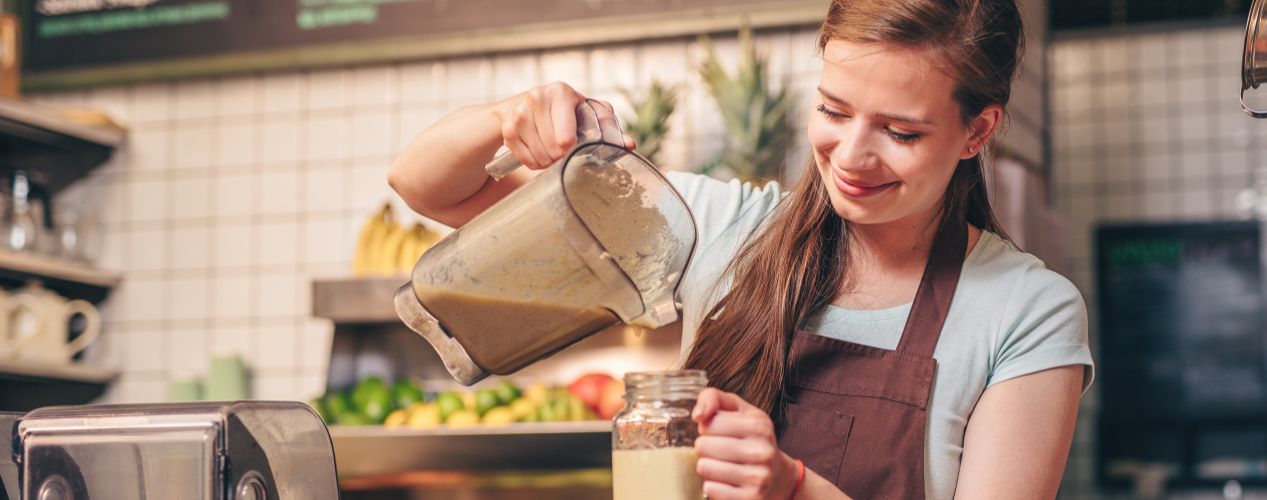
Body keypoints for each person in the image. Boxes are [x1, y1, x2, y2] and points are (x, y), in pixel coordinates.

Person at [388, 0, 1093, 498]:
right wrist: (506, 117)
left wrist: (791, 488)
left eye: (901, 132)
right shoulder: (718, 228)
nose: (851, 156)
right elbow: (428, 188)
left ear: (977, 132)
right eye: (833, 110)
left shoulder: (1025, 311)